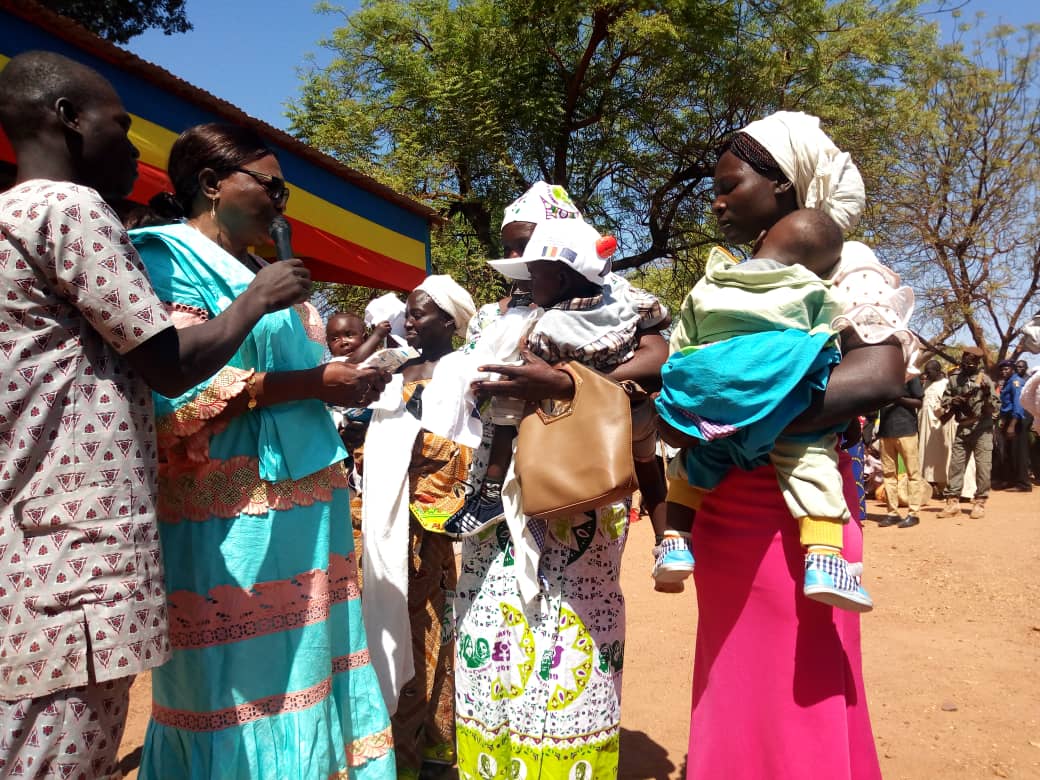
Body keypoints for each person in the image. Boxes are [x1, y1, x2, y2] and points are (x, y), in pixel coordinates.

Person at [0, 52, 319, 778]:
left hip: (33, 538)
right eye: (120, 125)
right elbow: (169, 361)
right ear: (67, 118)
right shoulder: (70, 208)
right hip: (80, 552)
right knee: (62, 751)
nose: (135, 148)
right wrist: (256, 298)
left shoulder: (9, 216)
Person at [127, 123, 395, 779]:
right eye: (270, 186)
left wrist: (344, 378)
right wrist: (309, 380)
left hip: (308, 504)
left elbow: (296, 372)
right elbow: (171, 393)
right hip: (228, 520)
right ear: (212, 184)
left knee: (310, 668)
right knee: (231, 689)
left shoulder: (265, 273)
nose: (281, 203)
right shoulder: (164, 257)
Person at [656, 111, 898, 778]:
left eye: (730, 185)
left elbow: (879, 374)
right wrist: (690, 410)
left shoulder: (846, 265)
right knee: (732, 677)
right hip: (721, 506)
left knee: (801, 682)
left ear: (784, 185)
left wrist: (741, 414)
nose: (717, 201)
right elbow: (687, 379)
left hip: (799, 512)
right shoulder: (731, 279)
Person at [452, 185, 669, 779]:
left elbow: (658, 360)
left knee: (575, 620)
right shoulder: (493, 316)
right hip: (498, 492)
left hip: (582, 484)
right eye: (511, 251)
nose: (520, 263)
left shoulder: (617, 301)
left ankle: (568, 760)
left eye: (528, 248)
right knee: (495, 622)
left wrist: (569, 384)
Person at [655, 207, 895, 611]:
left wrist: (689, 393)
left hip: (714, 403)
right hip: (779, 402)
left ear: (763, 238)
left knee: (693, 464)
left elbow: (681, 342)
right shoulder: (815, 289)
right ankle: (824, 560)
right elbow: (829, 339)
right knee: (811, 463)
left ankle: (675, 542)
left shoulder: (710, 282)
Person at [356, 275, 475, 780]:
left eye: (419, 312)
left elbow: (471, 448)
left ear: (448, 322)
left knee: (427, 630)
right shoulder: (395, 368)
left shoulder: (467, 370)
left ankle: (429, 747)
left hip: (428, 529)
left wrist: (418, 448)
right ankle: (392, 750)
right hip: (384, 522)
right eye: (408, 310)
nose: (409, 320)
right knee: (385, 626)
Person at [938, 348, 998, 519]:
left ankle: (980, 502)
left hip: (982, 428)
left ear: (977, 363)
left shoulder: (985, 380)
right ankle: (952, 502)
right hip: (962, 428)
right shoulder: (954, 379)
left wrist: (986, 395)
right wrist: (953, 401)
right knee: (956, 466)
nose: (968, 365)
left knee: (983, 468)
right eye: (966, 362)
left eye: (972, 363)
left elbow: (995, 408)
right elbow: (944, 401)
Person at [876, 377, 926, 527]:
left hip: (906, 430)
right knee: (888, 474)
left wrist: (899, 399)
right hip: (886, 431)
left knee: (913, 473)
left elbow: (919, 402)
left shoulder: (910, 375)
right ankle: (892, 513)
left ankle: (913, 514)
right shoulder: (883, 375)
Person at [919, 359, 954, 495]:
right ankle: (929, 484)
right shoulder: (926, 384)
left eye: (929, 372)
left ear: (938, 371)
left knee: (941, 456)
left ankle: (943, 486)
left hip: (939, 426)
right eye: (926, 372)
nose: (926, 375)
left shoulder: (945, 384)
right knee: (926, 455)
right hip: (925, 426)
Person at [997, 359, 1032, 492]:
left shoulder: (1016, 382)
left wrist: (1012, 425)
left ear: (1012, 369)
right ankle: (1012, 480)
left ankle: (1024, 484)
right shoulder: (1008, 382)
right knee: (1010, 451)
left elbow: (1018, 404)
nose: (1004, 371)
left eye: (1006, 369)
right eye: (1002, 369)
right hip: (1008, 419)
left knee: (1019, 452)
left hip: (1017, 420)